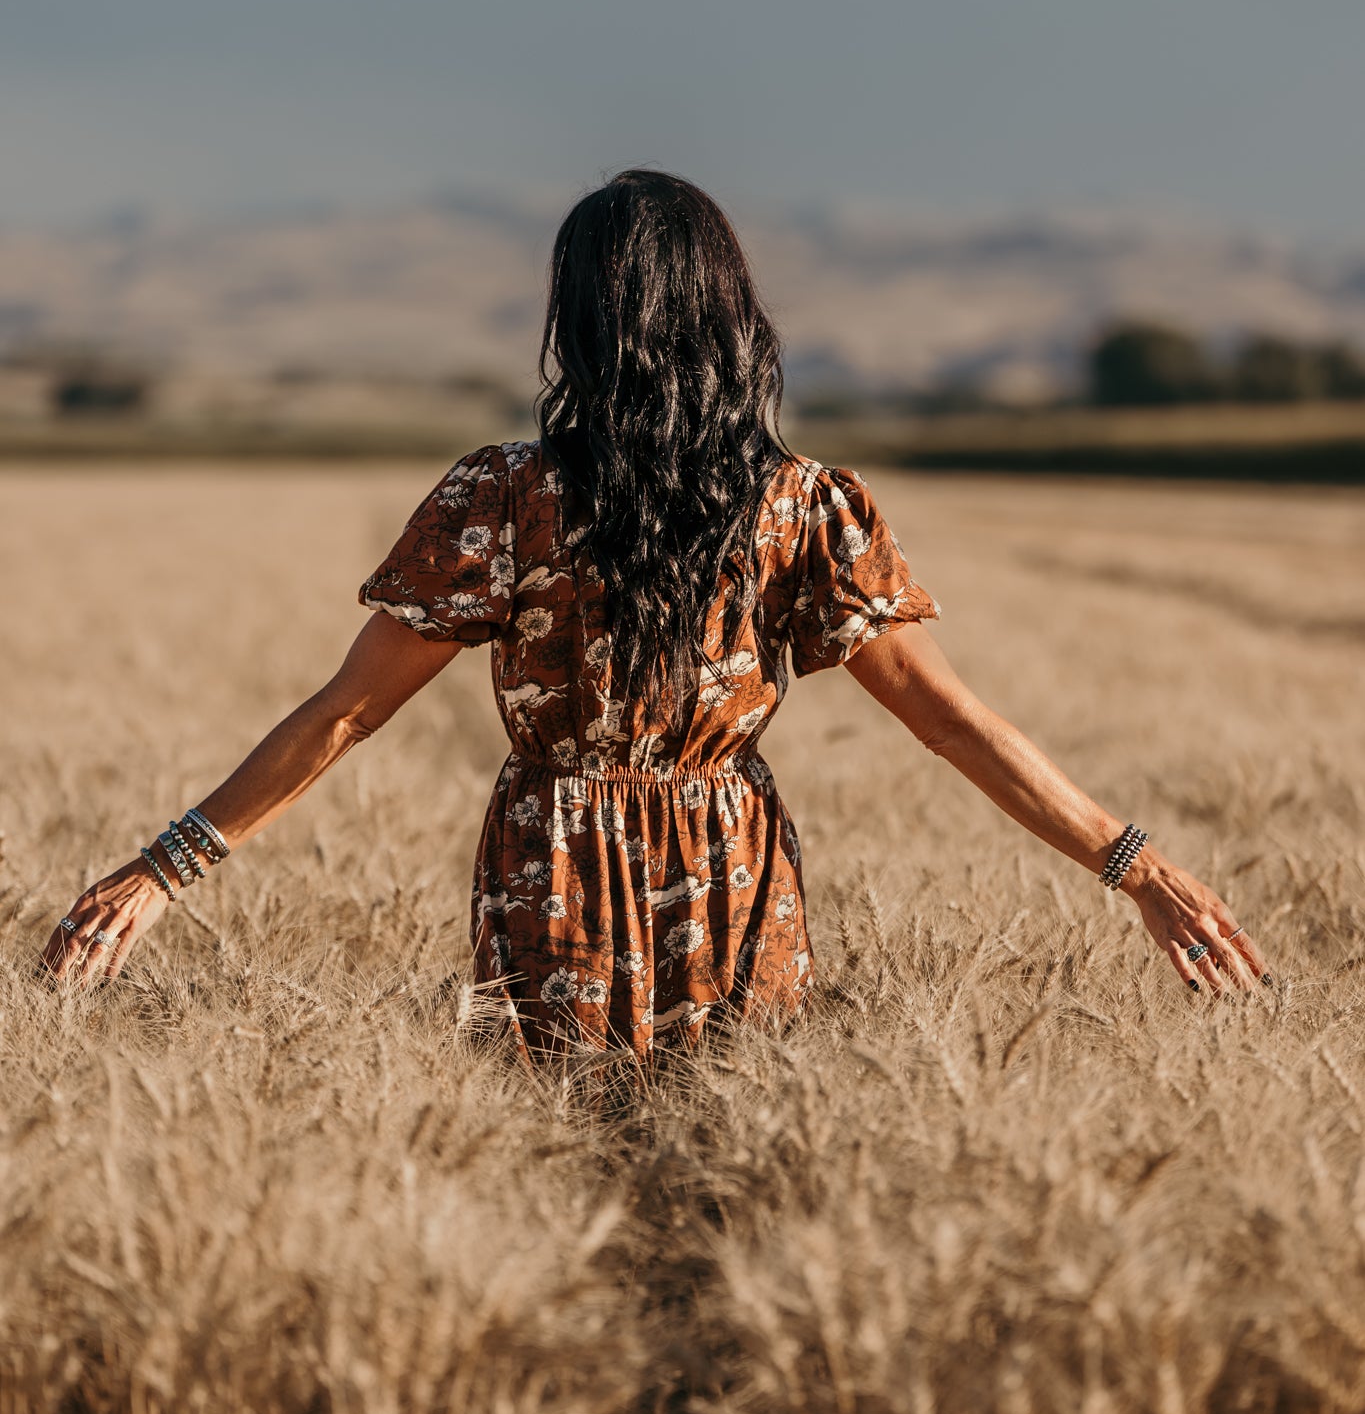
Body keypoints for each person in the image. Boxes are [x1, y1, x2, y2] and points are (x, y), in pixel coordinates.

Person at [42, 170, 1267, 1051]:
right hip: (731, 864)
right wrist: (1135, 866)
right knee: (736, 1169)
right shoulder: (801, 506)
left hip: (550, 871)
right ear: (728, 313)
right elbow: (951, 722)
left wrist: (164, 867)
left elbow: (347, 710)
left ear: (578, 321)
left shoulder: (502, 495)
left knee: (552, 1152)